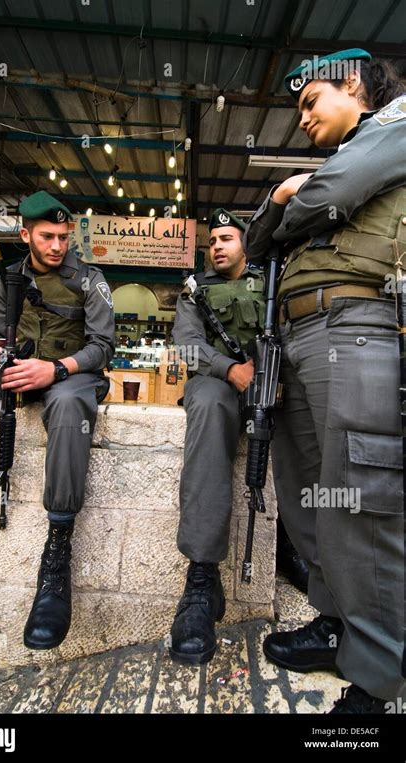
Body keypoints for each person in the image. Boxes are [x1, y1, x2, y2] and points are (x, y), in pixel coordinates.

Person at [245, 48, 405, 713]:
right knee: (313, 490)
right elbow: (257, 243)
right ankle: (338, 623)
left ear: (353, 85)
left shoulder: (396, 126)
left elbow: (332, 193)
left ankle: (375, 671)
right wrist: (282, 200)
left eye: (311, 102)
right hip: (301, 335)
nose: (303, 117)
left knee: (363, 504)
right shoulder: (344, 157)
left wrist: (290, 195)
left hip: (358, 326)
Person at [0, 190, 115, 650]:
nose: (57, 245)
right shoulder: (6, 279)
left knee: (70, 406)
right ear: (26, 234)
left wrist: (55, 369)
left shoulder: (90, 280)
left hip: (67, 377)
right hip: (13, 373)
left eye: (63, 236)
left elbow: (102, 348)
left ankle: (57, 552)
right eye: (47, 236)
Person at [168, 208, 265, 665]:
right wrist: (230, 370)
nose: (218, 246)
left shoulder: (272, 280)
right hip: (220, 385)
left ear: (246, 243)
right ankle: (203, 577)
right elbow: (186, 344)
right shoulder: (195, 290)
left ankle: (301, 550)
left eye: (227, 238)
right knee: (204, 402)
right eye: (212, 241)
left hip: (274, 385)